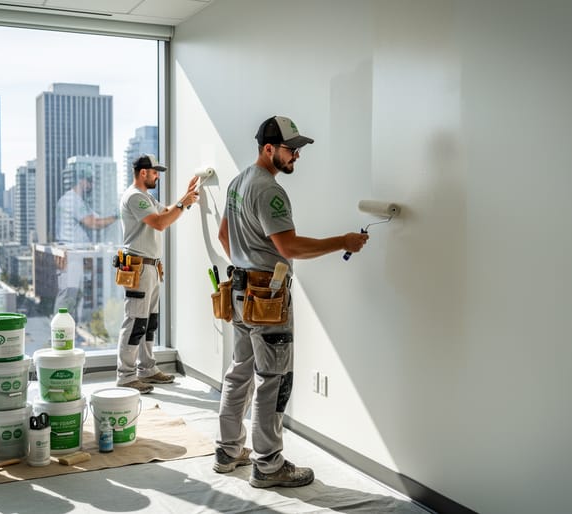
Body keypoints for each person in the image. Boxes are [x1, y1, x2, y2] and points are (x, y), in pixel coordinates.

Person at [214, 116, 369, 488]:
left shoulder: (238, 182)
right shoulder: (269, 190)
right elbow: (289, 247)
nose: (297, 156)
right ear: (269, 149)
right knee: (274, 379)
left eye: (298, 150)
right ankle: (268, 465)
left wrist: (245, 266)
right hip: (267, 297)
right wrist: (343, 242)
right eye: (291, 149)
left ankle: (228, 451)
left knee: (239, 371)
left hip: (238, 290)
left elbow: (223, 236)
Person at [117, 154, 200, 394]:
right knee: (135, 321)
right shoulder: (134, 197)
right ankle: (125, 375)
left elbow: (168, 213)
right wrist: (183, 202)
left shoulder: (147, 197)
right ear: (143, 173)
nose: (157, 176)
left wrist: (186, 197)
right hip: (139, 267)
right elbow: (159, 223)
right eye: (155, 172)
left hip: (151, 266)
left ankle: (147, 369)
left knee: (149, 322)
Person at [54, 169, 119, 321]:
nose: (91, 187)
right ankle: (60, 330)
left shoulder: (78, 201)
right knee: (68, 295)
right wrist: (117, 216)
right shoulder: (73, 200)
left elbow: (98, 218)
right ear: (82, 181)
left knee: (73, 296)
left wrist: (111, 215)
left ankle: (67, 329)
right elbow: (93, 223)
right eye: (90, 183)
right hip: (71, 255)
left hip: (74, 255)